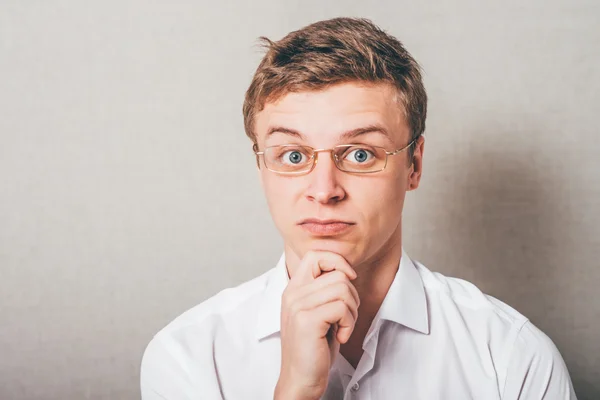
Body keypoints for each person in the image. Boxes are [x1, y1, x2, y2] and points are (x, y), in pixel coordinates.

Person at [140, 17, 576, 399]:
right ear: (262, 168)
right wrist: (295, 391)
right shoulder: (188, 357)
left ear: (414, 165)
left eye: (360, 154)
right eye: (293, 155)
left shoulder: (512, 358)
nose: (324, 190)